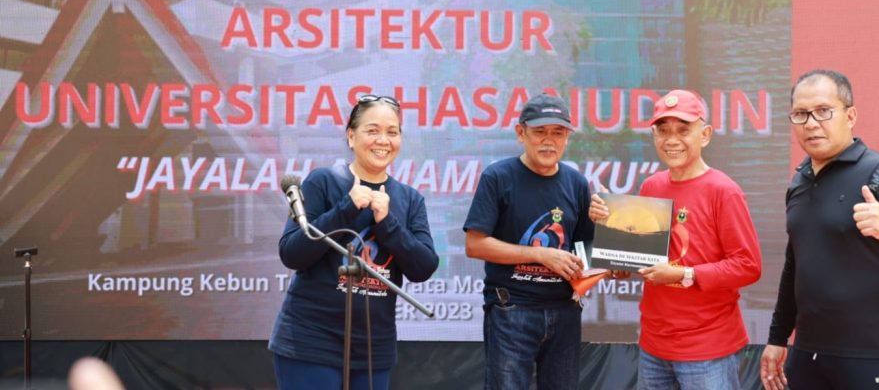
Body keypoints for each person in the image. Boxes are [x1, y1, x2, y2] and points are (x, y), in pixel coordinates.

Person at [760, 70, 879, 390]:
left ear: (850, 116)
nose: (811, 123)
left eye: (823, 111)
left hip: (877, 355)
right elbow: (795, 266)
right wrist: (778, 337)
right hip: (809, 353)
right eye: (800, 114)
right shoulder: (799, 182)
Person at [591, 89, 762, 390]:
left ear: (705, 134)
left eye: (683, 130)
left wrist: (686, 274)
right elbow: (640, 258)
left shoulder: (724, 191)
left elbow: (748, 266)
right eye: (663, 130)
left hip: (707, 348)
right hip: (654, 344)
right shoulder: (651, 186)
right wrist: (613, 241)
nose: (672, 140)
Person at [269, 94, 439, 390]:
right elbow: (292, 253)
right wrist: (345, 209)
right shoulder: (322, 182)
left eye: (392, 132)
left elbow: (423, 267)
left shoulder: (410, 199)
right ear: (351, 136)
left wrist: (387, 223)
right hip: (312, 341)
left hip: (374, 348)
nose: (383, 140)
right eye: (372, 130)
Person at [463, 93, 595, 390]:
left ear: (567, 138)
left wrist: (613, 266)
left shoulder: (577, 183)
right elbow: (475, 245)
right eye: (540, 132)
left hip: (565, 311)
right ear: (521, 133)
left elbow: (585, 251)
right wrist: (541, 255)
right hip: (513, 310)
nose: (549, 141)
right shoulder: (498, 177)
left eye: (558, 133)